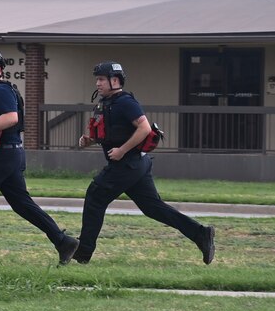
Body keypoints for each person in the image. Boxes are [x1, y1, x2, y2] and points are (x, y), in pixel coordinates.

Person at [75, 61, 216, 264]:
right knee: (153, 208)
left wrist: (122, 150)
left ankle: (82, 253)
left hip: (127, 164)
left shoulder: (125, 102)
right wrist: (90, 140)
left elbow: (144, 128)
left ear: (115, 81)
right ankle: (201, 233)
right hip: (136, 165)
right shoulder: (105, 103)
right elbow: (113, 133)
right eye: (97, 79)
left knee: (95, 197)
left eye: (102, 79)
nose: (98, 83)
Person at [0, 50, 79, 265]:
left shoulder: (0, 90)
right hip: (11, 154)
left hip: (2, 156)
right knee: (21, 203)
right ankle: (63, 242)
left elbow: (11, 117)